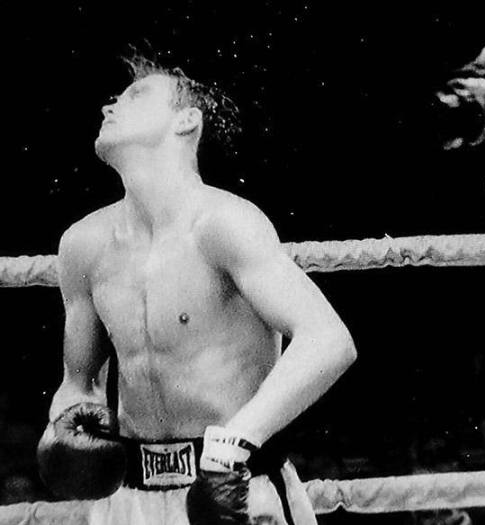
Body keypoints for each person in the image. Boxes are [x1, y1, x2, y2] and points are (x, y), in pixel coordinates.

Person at [36, 54, 357, 524]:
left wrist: (236, 443)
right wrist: (64, 430)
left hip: (236, 486)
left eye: (137, 95)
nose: (110, 106)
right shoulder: (84, 245)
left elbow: (328, 339)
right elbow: (77, 383)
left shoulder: (224, 224)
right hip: (131, 499)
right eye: (114, 98)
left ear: (187, 121)